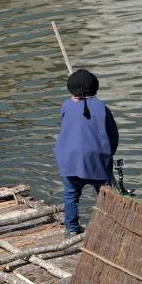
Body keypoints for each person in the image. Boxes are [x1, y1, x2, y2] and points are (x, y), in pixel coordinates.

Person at [54, 69, 119, 236]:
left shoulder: (66, 105)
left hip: (70, 161)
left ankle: (71, 229)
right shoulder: (102, 107)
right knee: (106, 196)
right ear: (95, 88)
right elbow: (113, 136)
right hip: (97, 161)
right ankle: (108, 228)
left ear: (72, 91)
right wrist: (109, 155)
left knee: (71, 195)